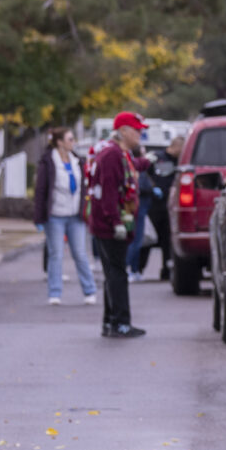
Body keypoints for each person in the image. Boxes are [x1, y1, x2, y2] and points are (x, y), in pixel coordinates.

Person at [87, 111, 147, 337]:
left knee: (113, 272)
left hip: (111, 223)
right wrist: (115, 222)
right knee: (117, 273)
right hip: (111, 225)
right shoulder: (113, 155)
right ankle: (121, 323)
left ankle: (110, 322)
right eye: (137, 130)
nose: (140, 135)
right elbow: (108, 192)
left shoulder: (120, 153)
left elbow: (133, 169)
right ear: (123, 131)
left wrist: (147, 162)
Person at [32, 127, 98, 307]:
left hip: (75, 215)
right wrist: (39, 218)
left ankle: (90, 290)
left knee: (80, 254)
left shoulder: (77, 161)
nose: (73, 142)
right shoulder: (48, 162)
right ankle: (54, 293)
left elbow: (85, 186)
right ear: (59, 142)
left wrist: (86, 209)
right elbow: (41, 191)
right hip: (55, 215)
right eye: (70, 139)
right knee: (56, 254)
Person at [126, 143, 172, 283]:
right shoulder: (137, 169)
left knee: (139, 241)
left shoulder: (141, 168)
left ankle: (134, 269)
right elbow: (141, 186)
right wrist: (153, 190)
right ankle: (128, 268)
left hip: (144, 207)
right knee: (136, 241)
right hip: (139, 207)